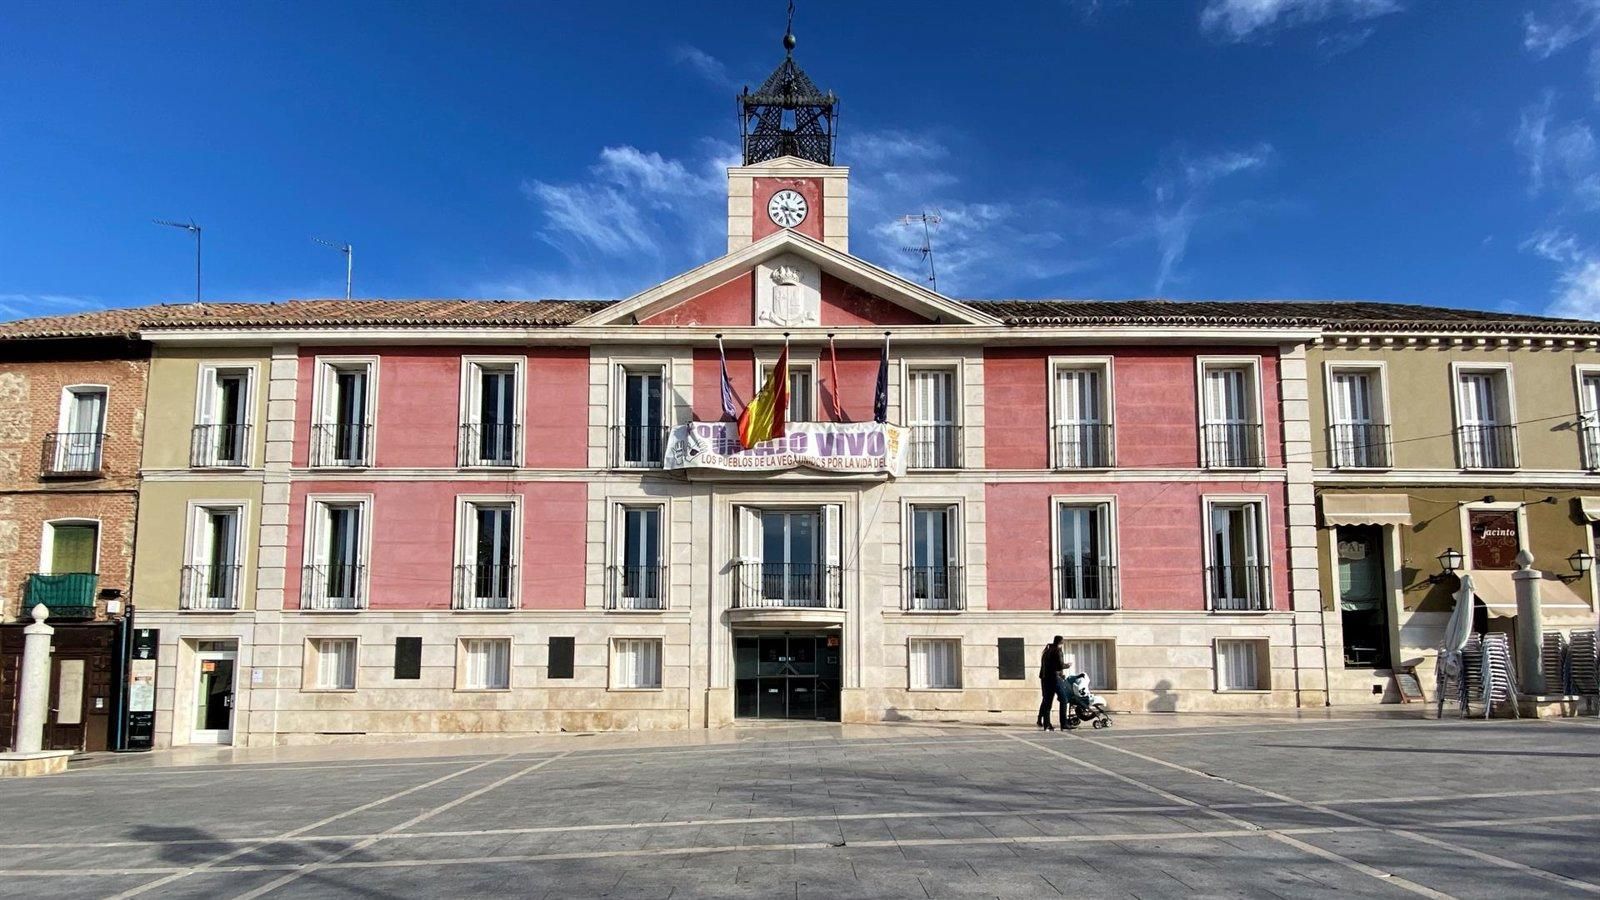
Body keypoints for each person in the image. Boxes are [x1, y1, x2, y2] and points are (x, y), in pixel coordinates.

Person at [1037, 635, 1066, 731]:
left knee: (1047, 702)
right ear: (1061, 642)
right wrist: (1067, 666)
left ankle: (1046, 724)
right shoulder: (1057, 651)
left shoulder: (1046, 651)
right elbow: (1060, 665)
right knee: (1064, 700)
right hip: (1055, 678)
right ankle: (1064, 723)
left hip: (1045, 678)